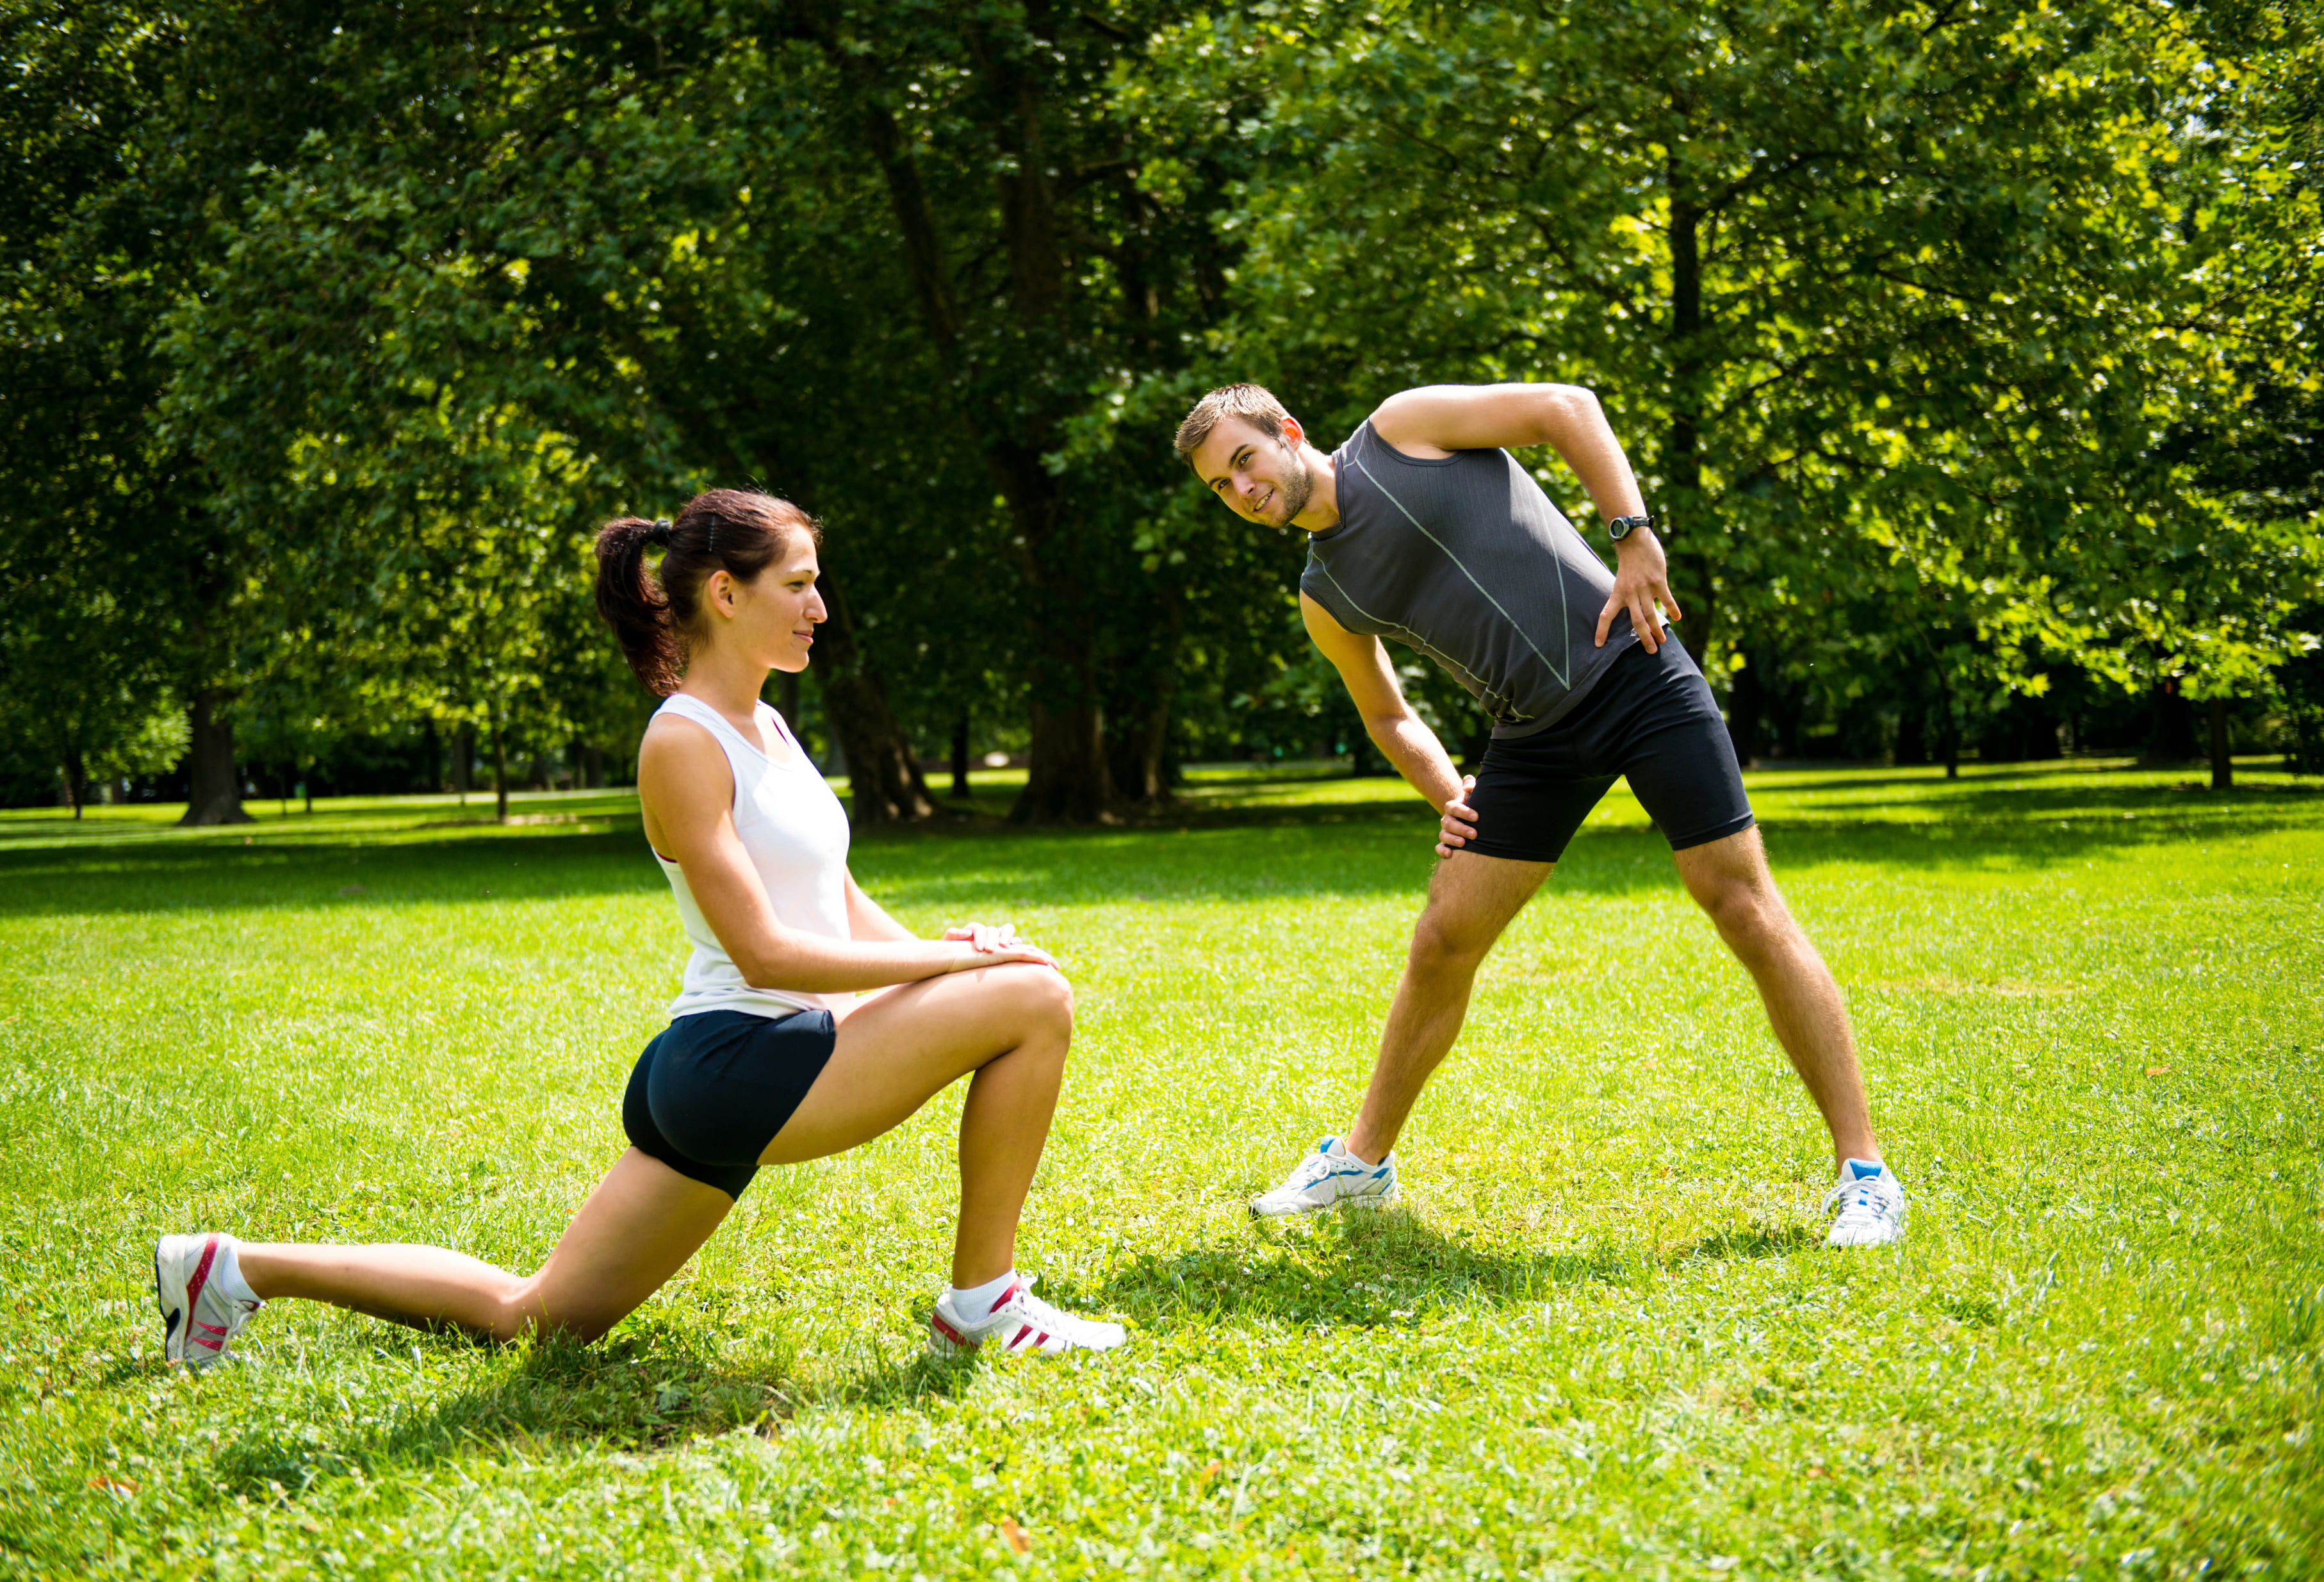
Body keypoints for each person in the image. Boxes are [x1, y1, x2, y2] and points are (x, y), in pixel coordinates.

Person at [154, 489, 1125, 1367]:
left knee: (533, 1315)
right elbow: (767, 953)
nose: (820, 609)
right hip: (748, 1056)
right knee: (1036, 997)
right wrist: (970, 967)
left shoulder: (769, 725)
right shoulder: (682, 741)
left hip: (728, 1072)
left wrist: (953, 950)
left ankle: (233, 1268)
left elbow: (831, 899)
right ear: (726, 593)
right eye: (799, 585)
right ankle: (984, 1303)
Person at [1175, 383, 1906, 1246]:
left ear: (1288, 433)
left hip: (1634, 669)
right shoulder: (1325, 594)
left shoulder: (1401, 430)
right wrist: (1452, 795)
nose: (1243, 490)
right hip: (1530, 736)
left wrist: (1633, 536)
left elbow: (1568, 407)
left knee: (1740, 900)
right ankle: (1363, 1164)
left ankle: (1865, 1174)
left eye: (1244, 460)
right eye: (1221, 487)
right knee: (1443, 938)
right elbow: (1388, 715)